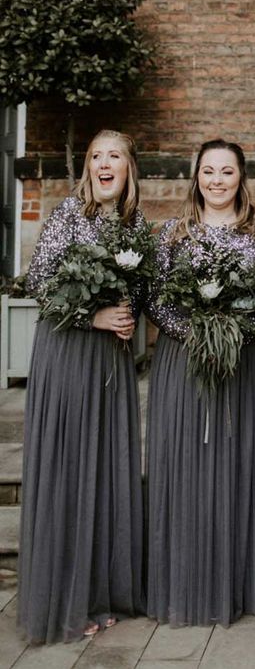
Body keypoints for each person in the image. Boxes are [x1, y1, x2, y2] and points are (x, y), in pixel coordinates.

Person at [145, 138, 255, 627]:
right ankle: (185, 585)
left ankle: (241, 586)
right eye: (209, 171)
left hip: (245, 365)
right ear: (196, 177)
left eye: (227, 172)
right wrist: (196, 333)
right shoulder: (171, 232)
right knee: (186, 466)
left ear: (241, 177)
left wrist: (231, 332)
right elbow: (156, 299)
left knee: (240, 466)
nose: (218, 181)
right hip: (184, 365)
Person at [18, 130, 145, 643]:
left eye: (114, 156)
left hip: (108, 362)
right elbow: (40, 283)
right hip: (68, 353)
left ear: (129, 166)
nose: (103, 164)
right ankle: (63, 600)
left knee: (101, 470)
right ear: (88, 167)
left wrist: (128, 318)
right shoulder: (70, 215)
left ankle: (95, 590)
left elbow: (135, 292)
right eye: (96, 157)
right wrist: (94, 316)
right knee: (71, 467)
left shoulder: (135, 226)